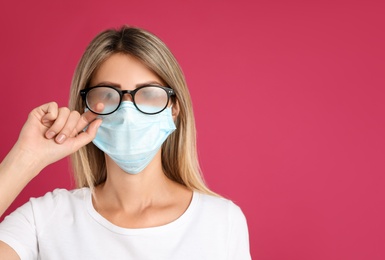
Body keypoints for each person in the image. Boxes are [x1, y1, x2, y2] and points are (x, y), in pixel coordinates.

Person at [0, 26, 251, 259]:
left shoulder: (221, 221)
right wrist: (25, 158)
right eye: (108, 95)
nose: (128, 112)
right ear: (85, 108)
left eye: (149, 93)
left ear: (174, 108)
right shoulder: (45, 219)